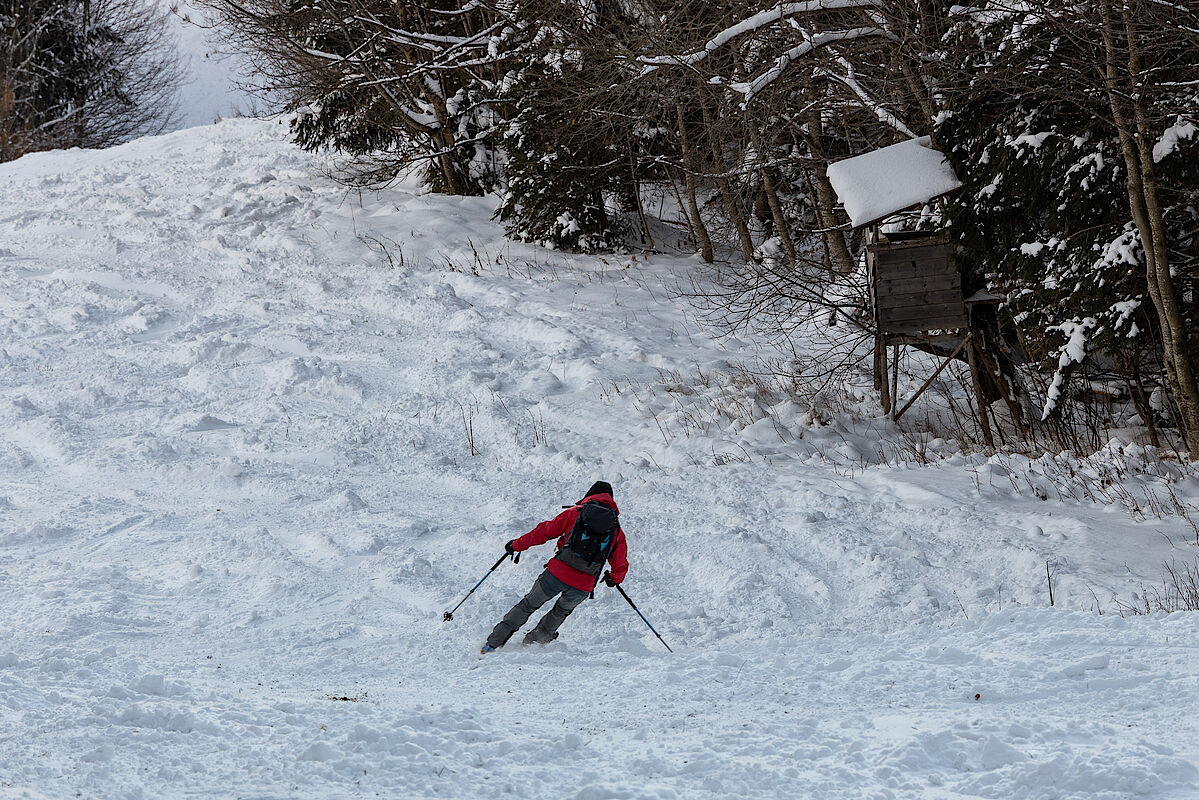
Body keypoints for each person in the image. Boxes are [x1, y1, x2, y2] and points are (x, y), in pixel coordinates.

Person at [481, 481, 628, 653]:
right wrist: (614, 579)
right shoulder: (615, 529)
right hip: (583, 585)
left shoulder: (575, 513)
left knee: (528, 605)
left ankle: (492, 645)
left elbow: (542, 533)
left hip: (556, 574)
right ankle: (531, 647)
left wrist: (516, 545)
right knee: (560, 612)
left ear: (589, 495)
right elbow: (620, 563)